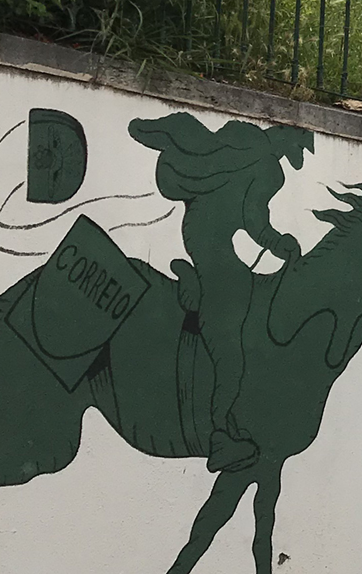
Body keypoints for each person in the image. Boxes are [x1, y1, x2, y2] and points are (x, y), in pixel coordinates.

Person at [129, 114, 314, 472]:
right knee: (229, 348)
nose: (299, 157)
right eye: (300, 149)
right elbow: (254, 220)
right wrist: (282, 245)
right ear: (289, 142)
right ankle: (218, 435)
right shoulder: (269, 170)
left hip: (196, 230)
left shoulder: (242, 135)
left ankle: (196, 283)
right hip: (214, 248)